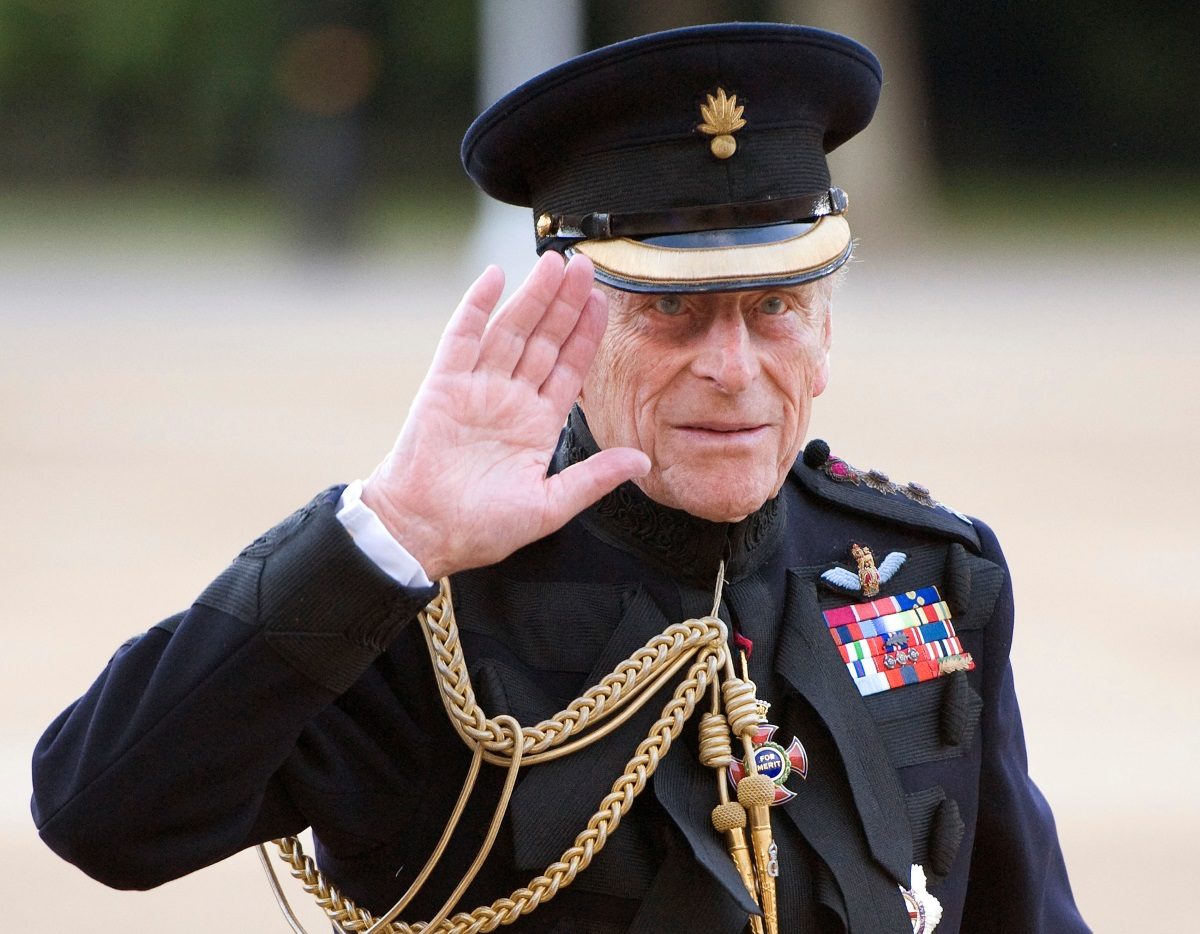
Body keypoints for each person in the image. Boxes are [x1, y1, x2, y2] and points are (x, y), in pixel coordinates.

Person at [31, 23, 1090, 934]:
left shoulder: (924, 575)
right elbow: (101, 814)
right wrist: (391, 530)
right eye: (671, 310)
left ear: (824, 332)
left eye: (774, 306)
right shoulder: (418, 602)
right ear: (572, 326)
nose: (733, 368)